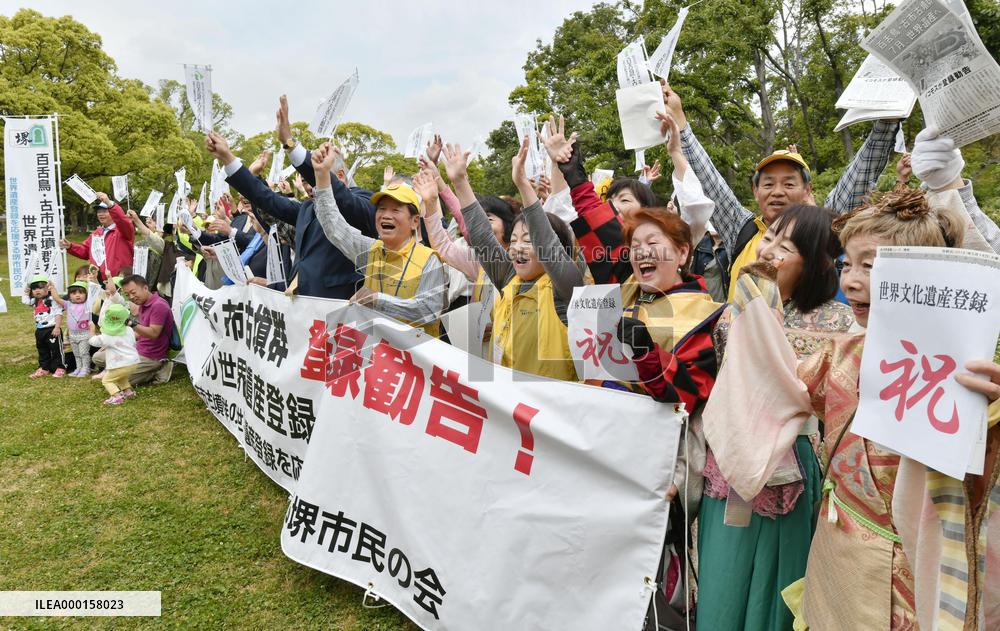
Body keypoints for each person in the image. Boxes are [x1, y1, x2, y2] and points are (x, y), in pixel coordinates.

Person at [696, 202, 854, 631]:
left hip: (791, 462)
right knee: (722, 577)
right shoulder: (732, 313)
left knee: (778, 582)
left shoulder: (838, 321)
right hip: (729, 461)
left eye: (786, 246)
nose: (768, 251)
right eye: (768, 239)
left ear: (818, 262)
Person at [660, 81, 900, 301]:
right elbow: (708, 180)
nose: (777, 192)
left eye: (788, 184)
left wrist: (887, 120)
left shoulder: (822, 229)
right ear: (755, 191)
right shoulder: (741, 229)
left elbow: (860, 175)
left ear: (807, 189)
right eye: (768, 184)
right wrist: (679, 119)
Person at [445, 137, 584, 380]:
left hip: (553, 409)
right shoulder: (509, 278)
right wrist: (459, 182)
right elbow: (481, 235)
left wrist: (522, 185)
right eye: (515, 239)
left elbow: (547, 242)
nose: (518, 247)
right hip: (510, 405)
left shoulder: (566, 288)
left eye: (528, 241)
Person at [310, 142, 448, 335]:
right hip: (376, 358)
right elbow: (334, 228)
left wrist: (379, 300)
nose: (385, 215)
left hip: (413, 361)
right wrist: (322, 176)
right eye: (381, 209)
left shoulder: (429, 260)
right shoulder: (371, 250)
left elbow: (428, 311)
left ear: (415, 221)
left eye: (395, 210)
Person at [92, 274, 174, 386]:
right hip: (137, 349)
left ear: (145, 288)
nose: (131, 297)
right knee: (98, 357)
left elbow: (153, 334)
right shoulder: (142, 304)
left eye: (133, 292)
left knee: (117, 382)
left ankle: (159, 368)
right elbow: (138, 333)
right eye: (127, 294)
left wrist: (130, 323)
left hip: (152, 356)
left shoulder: (158, 305)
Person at [61, 191, 136, 278]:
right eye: (99, 211)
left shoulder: (123, 230)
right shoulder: (97, 233)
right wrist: (70, 246)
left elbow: (122, 220)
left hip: (119, 280)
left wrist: (109, 203)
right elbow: (86, 252)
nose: (101, 214)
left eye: (105, 211)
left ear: (112, 212)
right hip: (97, 281)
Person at [89, 303, 139, 405]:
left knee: (107, 380)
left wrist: (92, 330)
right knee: (120, 377)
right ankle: (128, 392)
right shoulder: (129, 330)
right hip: (133, 362)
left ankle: (116, 397)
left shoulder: (108, 335)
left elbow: (94, 341)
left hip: (120, 364)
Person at [25, 273, 65, 378]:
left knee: (56, 349)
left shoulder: (52, 300)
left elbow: (58, 313)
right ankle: (44, 368)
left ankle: (60, 367)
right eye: (34, 289)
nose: (37, 290)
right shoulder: (34, 301)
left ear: (47, 288)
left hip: (52, 329)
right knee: (42, 349)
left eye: (40, 288)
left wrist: (57, 327)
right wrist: (26, 289)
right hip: (40, 330)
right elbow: (24, 300)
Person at [49, 281, 92, 377]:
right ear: (69, 295)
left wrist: (90, 282)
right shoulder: (68, 304)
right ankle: (78, 368)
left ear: (86, 294)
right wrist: (52, 288)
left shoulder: (88, 304)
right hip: (72, 334)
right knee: (76, 353)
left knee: (84, 352)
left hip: (84, 334)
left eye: (81, 293)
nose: (77, 295)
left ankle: (86, 368)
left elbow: (94, 292)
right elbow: (57, 299)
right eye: (74, 293)